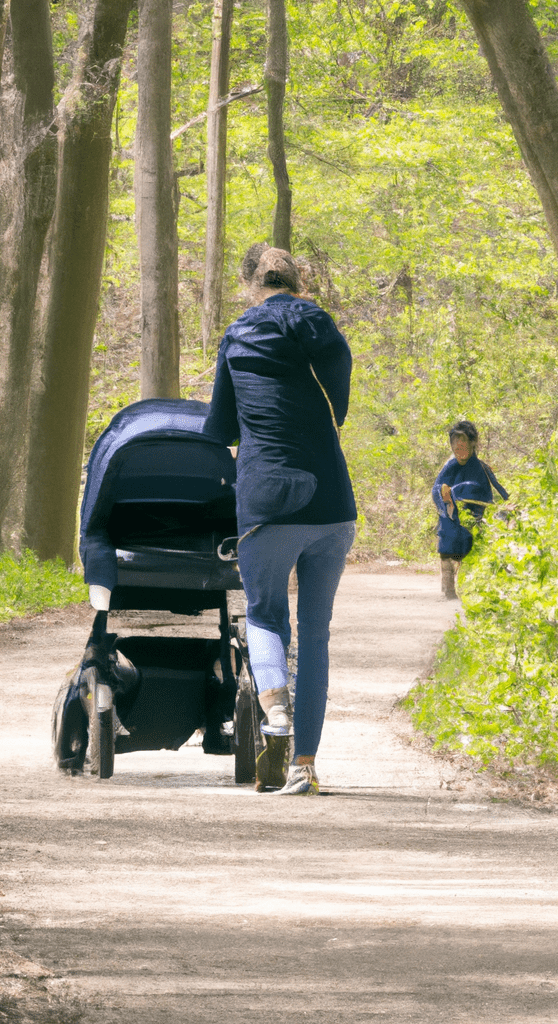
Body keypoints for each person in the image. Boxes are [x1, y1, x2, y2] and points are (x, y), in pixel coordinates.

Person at [204, 244, 357, 795]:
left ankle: (276, 716)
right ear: (299, 282)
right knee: (316, 635)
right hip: (330, 500)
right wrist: (326, 419)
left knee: (266, 616)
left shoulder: (238, 334)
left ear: (250, 285)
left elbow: (220, 426)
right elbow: (338, 384)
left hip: (267, 500)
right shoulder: (318, 324)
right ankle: (305, 767)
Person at [431, 420, 508, 600]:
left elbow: (493, 488)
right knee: (447, 542)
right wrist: (445, 498)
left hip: (475, 513)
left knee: (472, 547)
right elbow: (436, 488)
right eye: (455, 444)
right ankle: (448, 586)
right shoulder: (450, 466)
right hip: (451, 514)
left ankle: (471, 586)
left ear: (473, 443)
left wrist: (508, 503)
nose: (458, 447)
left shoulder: (479, 467)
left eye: (463, 442)